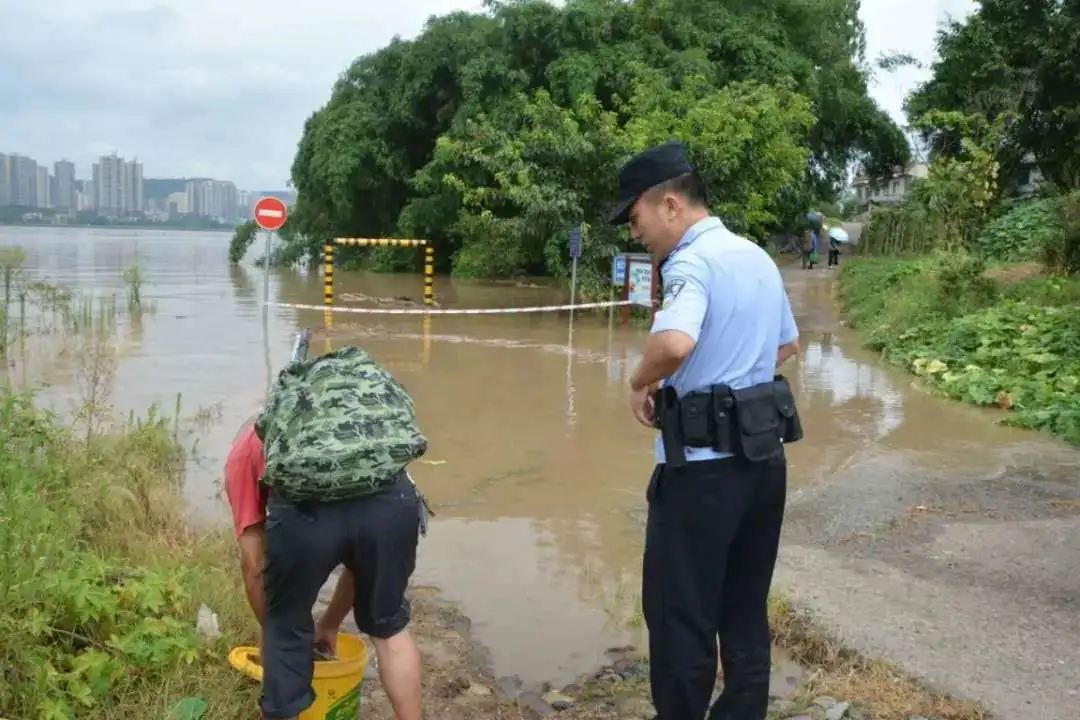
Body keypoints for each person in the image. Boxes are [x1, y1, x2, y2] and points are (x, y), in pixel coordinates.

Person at [609, 140, 803, 720]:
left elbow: (673, 343)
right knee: (743, 610)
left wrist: (640, 383)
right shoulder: (755, 257)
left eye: (634, 216)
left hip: (701, 475)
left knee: (680, 614)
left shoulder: (691, 262)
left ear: (668, 204)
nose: (633, 231)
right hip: (763, 466)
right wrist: (732, 382)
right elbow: (788, 346)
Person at [224, 419, 424, 720]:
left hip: (309, 515)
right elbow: (361, 560)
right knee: (389, 626)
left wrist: (280, 631)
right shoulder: (351, 425)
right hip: (395, 503)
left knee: (284, 633)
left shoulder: (243, 453)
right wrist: (329, 623)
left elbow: (253, 565)